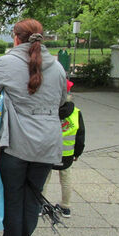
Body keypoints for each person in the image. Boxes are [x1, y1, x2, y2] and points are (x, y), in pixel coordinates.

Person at [0, 19, 66, 236]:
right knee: (33, 197)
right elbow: (61, 102)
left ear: (16, 38)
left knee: (14, 197)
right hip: (48, 143)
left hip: (17, 142)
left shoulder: (7, 62)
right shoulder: (58, 67)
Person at [42, 81, 85, 218]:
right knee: (66, 179)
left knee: (44, 179)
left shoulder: (48, 110)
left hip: (48, 152)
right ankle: (65, 206)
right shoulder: (76, 113)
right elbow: (80, 136)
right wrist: (77, 153)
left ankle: (39, 205)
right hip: (67, 154)